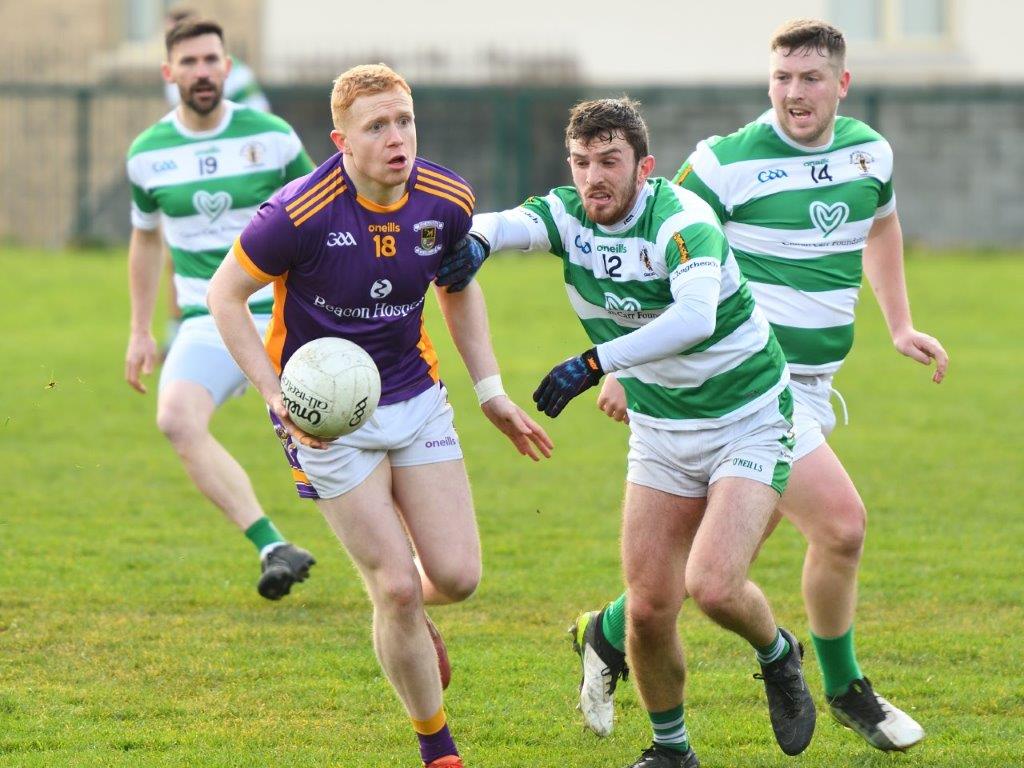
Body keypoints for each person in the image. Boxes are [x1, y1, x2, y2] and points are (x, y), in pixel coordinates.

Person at [569, 19, 946, 753]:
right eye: (781, 77)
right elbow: (655, 248)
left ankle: (605, 633)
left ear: (841, 84)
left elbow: (881, 226)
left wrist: (899, 325)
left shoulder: (870, 151)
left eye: (810, 78)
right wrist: (625, 363)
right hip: (747, 388)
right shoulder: (723, 163)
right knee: (840, 527)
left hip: (808, 387)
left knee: (702, 573)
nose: (793, 93)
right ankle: (843, 688)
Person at [438, 97, 815, 767]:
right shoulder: (568, 214)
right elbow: (505, 222)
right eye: (581, 163)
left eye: (609, 162)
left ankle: (779, 654)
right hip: (662, 429)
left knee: (715, 586)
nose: (593, 179)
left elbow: (695, 317)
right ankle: (672, 750)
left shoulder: (683, 221)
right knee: (646, 607)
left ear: (644, 166)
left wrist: (594, 362)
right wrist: (476, 241)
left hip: (747, 419)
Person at [206, 64, 553, 768]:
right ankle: (438, 747)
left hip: (415, 395)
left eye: (405, 121)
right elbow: (224, 295)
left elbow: (458, 288)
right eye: (377, 126)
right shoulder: (298, 214)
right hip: (325, 419)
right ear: (342, 140)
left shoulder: (446, 198)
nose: (398, 138)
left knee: (455, 578)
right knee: (393, 585)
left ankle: (412, 620)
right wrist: (277, 396)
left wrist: (490, 391)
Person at [125, 18, 318, 600]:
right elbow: (146, 239)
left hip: (285, 317)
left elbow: (322, 216)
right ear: (169, 74)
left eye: (211, 60)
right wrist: (139, 330)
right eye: (188, 63)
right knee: (175, 419)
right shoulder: (147, 154)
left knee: (346, 431)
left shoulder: (274, 136)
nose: (201, 72)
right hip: (206, 323)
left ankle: (411, 561)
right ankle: (271, 545)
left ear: (228, 67)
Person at [159, 7, 274, 358]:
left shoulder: (235, 76)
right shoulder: (176, 78)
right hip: (195, 175)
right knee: (174, 252)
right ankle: (180, 330)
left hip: (242, 177)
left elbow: (259, 121)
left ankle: (263, 324)